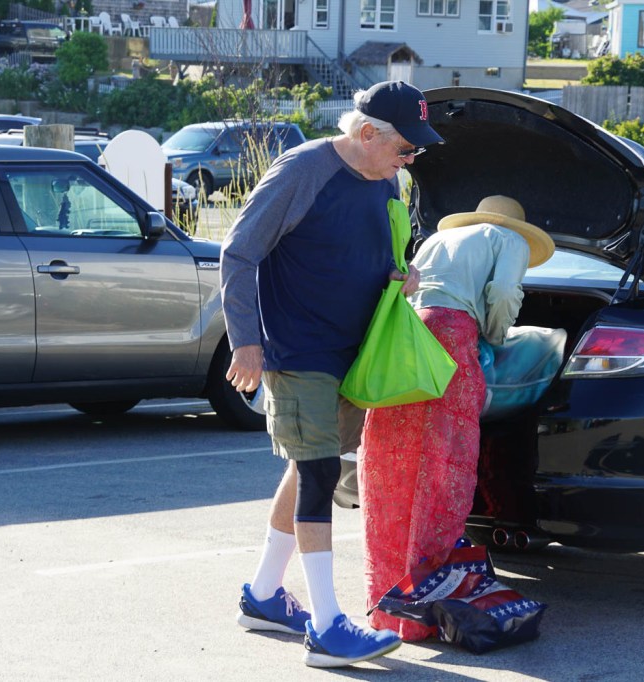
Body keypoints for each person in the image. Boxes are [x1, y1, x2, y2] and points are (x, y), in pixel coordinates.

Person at [219, 80, 442, 668]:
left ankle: (263, 595)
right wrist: (246, 342)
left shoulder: (387, 178)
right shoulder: (303, 171)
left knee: (308, 468)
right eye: (405, 148)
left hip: (356, 354)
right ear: (367, 133)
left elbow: (383, 252)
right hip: (299, 353)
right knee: (319, 473)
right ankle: (326, 627)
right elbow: (238, 253)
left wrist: (402, 275)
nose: (410, 159)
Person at [357, 195, 555, 641]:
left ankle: (388, 611)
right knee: (443, 470)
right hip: (451, 341)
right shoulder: (509, 239)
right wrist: (497, 335)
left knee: (394, 471)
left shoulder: (438, 239)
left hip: (406, 342)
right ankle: (426, 610)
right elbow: (503, 294)